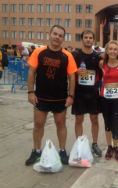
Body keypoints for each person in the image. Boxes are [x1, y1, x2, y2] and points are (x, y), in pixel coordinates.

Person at [25, 25, 77, 166]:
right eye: (55, 34)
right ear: (50, 34)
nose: (57, 37)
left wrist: (71, 96)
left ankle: (62, 151)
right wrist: (30, 92)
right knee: (38, 125)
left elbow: (72, 77)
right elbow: (31, 72)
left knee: (61, 124)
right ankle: (36, 151)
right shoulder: (39, 52)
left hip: (60, 98)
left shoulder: (67, 55)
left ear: (63, 39)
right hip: (40, 97)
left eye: (60, 35)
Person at [71, 30, 102, 157]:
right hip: (79, 93)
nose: (88, 39)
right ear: (82, 39)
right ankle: (79, 143)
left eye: (90, 38)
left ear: (93, 41)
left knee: (94, 119)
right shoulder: (75, 55)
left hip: (93, 93)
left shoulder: (97, 56)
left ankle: (94, 144)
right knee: (79, 119)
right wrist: (76, 71)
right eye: (86, 37)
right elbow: (69, 73)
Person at [99, 40, 118, 161]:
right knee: (107, 124)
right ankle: (109, 147)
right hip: (104, 99)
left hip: (117, 100)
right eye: (110, 49)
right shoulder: (101, 63)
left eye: (115, 49)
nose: (113, 51)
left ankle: (116, 147)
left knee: (115, 124)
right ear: (107, 51)